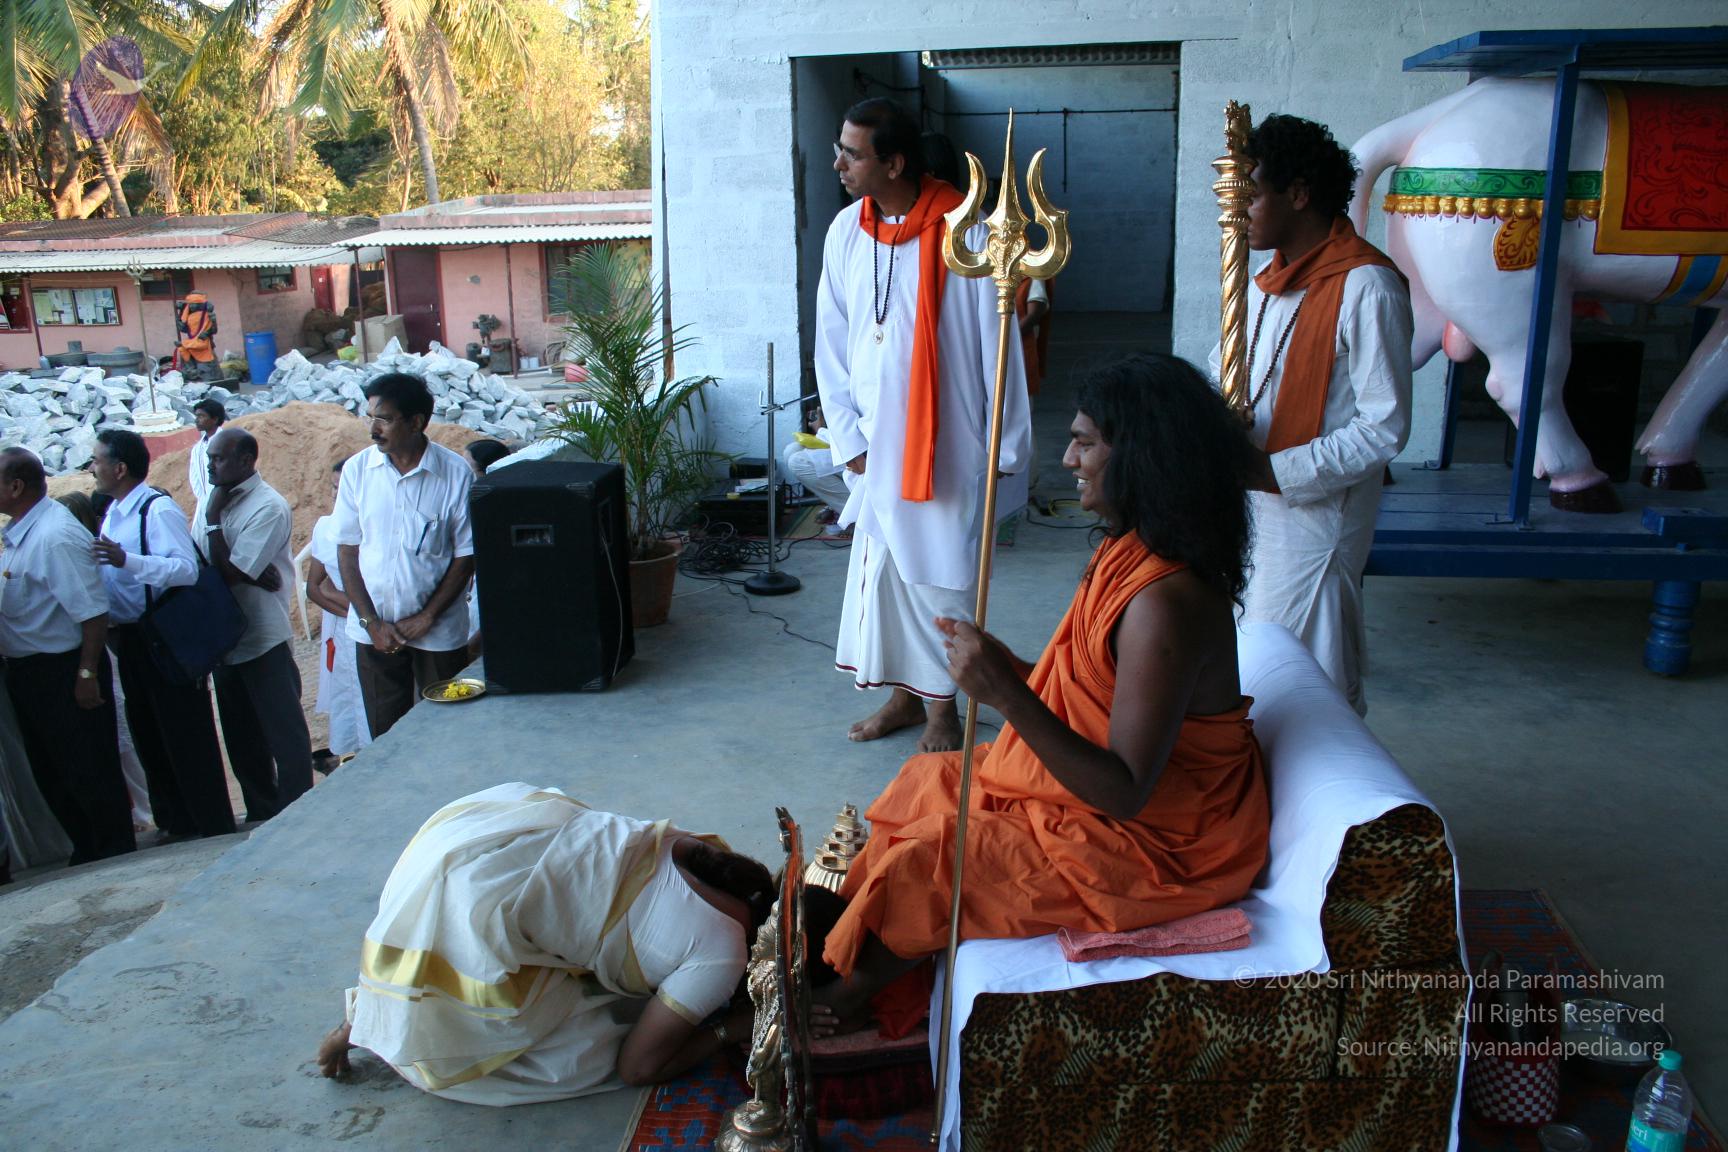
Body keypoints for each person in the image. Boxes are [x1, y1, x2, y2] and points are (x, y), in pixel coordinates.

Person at [814, 356, 1271, 1031]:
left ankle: (843, 999)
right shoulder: (1127, 551)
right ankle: (848, 942)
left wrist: (1006, 695)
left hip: (1162, 844)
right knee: (924, 783)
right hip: (1116, 802)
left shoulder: (1165, 602)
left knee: (931, 861)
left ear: (1142, 456)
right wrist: (1016, 669)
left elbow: (1125, 793)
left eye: (1085, 442)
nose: (1068, 459)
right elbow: (1089, 687)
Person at [315, 783, 772, 1103]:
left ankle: (375, 1013)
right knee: (583, 1054)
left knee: (602, 968)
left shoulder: (706, 851)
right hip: (470, 909)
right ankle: (377, 1025)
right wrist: (733, 1028)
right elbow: (638, 1068)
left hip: (478, 831)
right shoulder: (724, 955)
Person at [815, 96, 1032, 753]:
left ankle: (945, 712)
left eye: (852, 154)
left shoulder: (967, 233)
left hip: (949, 442)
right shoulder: (845, 230)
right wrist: (847, 436)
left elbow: (1000, 347)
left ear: (894, 163)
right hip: (875, 442)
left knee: (941, 581)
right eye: (840, 150)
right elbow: (831, 340)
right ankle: (905, 700)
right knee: (885, 577)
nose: (839, 164)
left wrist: (1005, 448)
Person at [1209, 113, 1413, 715]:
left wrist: (1273, 470)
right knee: (1253, 660)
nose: (1237, 214)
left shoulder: (1367, 286)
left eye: (1250, 197)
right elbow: (1234, 377)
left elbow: (1384, 428)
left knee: (1305, 675)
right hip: (1255, 502)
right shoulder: (1265, 281)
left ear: (1298, 194)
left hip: (1316, 519)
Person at [91, 428, 236, 840]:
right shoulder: (114, 514)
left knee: (184, 730)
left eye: (97, 460)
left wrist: (128, 560)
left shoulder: (155, 511)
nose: (92, 468)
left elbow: (185, 570)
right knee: (149, 731)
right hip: (130, 637)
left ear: (120, 468)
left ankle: (210, 823)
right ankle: (177, 820)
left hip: (163, 634)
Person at [0, 447, 133, 864]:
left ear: (15, 487)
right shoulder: (22, 532)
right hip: (31, 672)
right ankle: (89, 850)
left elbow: (93, 613)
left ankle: (114, 854)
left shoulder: (54, 535)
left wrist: (87, 674)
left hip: (64, 668)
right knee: (54, 769)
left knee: (87, 767)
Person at [334, 372, 476, 739]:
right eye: (370, 418)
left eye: (384, 419)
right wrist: (371, 622)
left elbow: (466, 556)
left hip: (438, 632)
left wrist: (427, 616)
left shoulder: (455, 474)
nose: (373, 429)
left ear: (416, 422)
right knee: (386, 735)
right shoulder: (357, 471)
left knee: (448, 732)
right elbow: (347, 552)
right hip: (374, 632)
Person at [197, 427, 313, 821]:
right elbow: (203, 564)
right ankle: (261, 812)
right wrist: (237, 568)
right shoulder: (213, 498)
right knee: (241, 736)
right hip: (224, 638)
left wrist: (215, 526)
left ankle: (297, 813)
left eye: (218, 458)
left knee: (283, 732)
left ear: (246, 461)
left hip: (262, 635)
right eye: (209, 458)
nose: (210, 466)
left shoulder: (268, 506)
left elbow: (230, 573)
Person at [61, 491, 152, 833]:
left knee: (124, 737)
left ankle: (144, 809)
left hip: (107, 643)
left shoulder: (93, 556)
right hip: (107, 642)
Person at [307, 460, 371, 761]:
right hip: (349, 630)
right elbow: (316, 587)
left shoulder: (377, 528)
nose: (336, 495)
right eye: (333, 488)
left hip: (372, 625)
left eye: (342, 488)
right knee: (352, 702)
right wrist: (362, 616)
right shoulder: (326, 527)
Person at [779, 404, 849, 528]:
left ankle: (854, 516)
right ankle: (838, 506)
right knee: (791, 450)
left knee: (797, 462)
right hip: (845, 447)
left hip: (866, 455)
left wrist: (820, 429)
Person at [188, 398, 226, 506]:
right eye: (196, 416)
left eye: (201, 416)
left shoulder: (226, 444)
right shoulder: (197, 448)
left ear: (215, 419)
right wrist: (204, 501)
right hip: (205, 504)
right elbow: (194, 478)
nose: (197, 420)